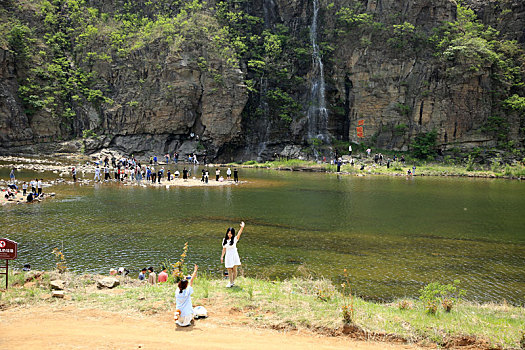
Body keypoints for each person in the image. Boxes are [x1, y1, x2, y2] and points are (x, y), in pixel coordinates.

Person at [220, 221, 245, 287]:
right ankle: (231, 282)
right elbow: (224, 249)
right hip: (228, 256)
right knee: (229, 269)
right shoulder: (224, 240)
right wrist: (222, 256)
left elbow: (239, 234)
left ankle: (232, 282)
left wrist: (242, 227)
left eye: (231, 233)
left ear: (233, 234)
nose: (229, 234)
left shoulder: (234, 239)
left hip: (234, 255)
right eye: (228, 233)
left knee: (234, 269)